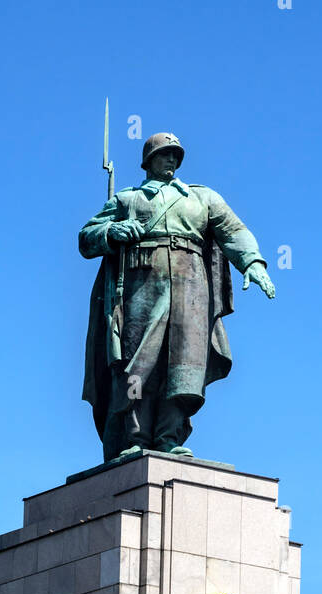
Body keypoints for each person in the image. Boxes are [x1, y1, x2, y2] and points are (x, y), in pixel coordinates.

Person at [80, 132, 275, 463]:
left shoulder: (201, 198)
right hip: (142, 284)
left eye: (176, 155)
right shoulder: (128, 199)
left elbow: (234, 231)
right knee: (138, 364)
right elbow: (86, 238)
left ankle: (169, 437)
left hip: (190, 284)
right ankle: (135, 438)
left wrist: (253, 264)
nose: (171, 160)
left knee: (184, 364)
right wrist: (111, 232)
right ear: (149, 160)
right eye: (165, 154)